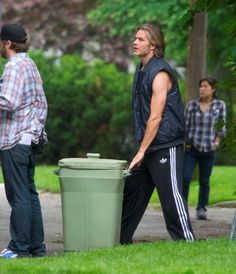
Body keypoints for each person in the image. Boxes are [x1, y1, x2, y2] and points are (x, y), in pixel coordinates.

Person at [120, 24, 195, 244]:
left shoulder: (160, 72)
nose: (135, 42)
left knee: (171, 198)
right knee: (133, 192)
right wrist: (143, 148)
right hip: (149, 145)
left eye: (141, 39)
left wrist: (141, 150)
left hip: (165, 145)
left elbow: (156, 117)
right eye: (135, 38)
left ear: (154, 45)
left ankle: (187, 242)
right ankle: (119, 239)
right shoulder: (141, 69)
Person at [0, 24, 48, 258]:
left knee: (18, 196)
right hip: (29, 138)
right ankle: (36, 247)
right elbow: (41, 102)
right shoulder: (29, 64)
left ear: (7, 43)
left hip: (14, 139)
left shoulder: (14, 66)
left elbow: (8, 101)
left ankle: (18, 248)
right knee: (29, 194)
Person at [183, 77, 226, 220]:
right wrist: (184, 144)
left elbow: (222, 127)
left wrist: (217, 143)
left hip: (209, 149)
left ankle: (201, 208)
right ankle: (181, 207)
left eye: (205, 86)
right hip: (192, 149)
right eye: (201, 86)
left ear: (213, 89)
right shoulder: (191, 105)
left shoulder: (220, 105)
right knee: (185, 177)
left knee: (204, 180)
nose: (202, 89)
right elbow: (185, 127)